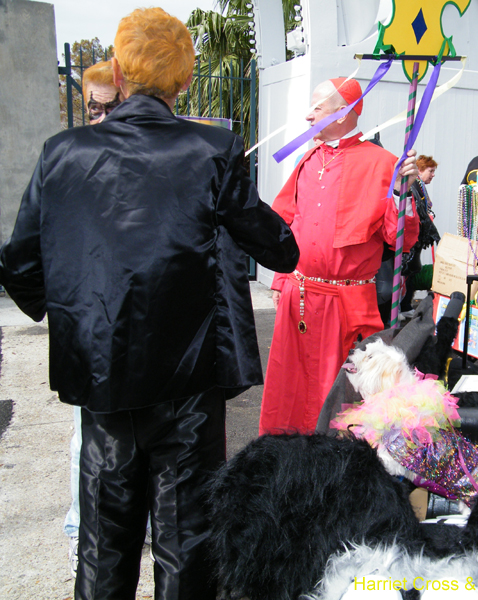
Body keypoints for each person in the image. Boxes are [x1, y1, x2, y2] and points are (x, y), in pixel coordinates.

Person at [0, 8, 299, 599]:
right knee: (187, 540)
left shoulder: (62, 152)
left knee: (103, 540)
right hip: (187, 378)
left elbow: (20, 264)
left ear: (117, 69)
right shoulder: (213, 148)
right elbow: (277, 248)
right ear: (184, 81)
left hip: (104, 376)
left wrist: (77, 310)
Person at [259, 77, 421, 436]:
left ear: (344, 111)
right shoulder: (309, 157)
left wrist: (402, 196)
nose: (308, 115)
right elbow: (285, 221)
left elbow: (402, 237)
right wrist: (281, 279)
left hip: (344, 304)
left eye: (317, 107)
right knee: (290, 389)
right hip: (299, 298)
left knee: (339, 397)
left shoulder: (383, 164)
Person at [62, 60, 123, 579]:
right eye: (93, 109)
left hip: (143, 338)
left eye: (111, 107)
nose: (101, 119)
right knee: (94, 458)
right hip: (92, 333)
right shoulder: (72, 158)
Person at [399, 155, 440, 316]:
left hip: (416, 237)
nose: (433, 174)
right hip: (411, 238)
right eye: (431, 171)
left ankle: (406, 304)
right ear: (420, 170)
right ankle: (401, 305)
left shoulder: (420, 187)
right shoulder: (414, 186)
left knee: (412, 270)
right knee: (406, 271)